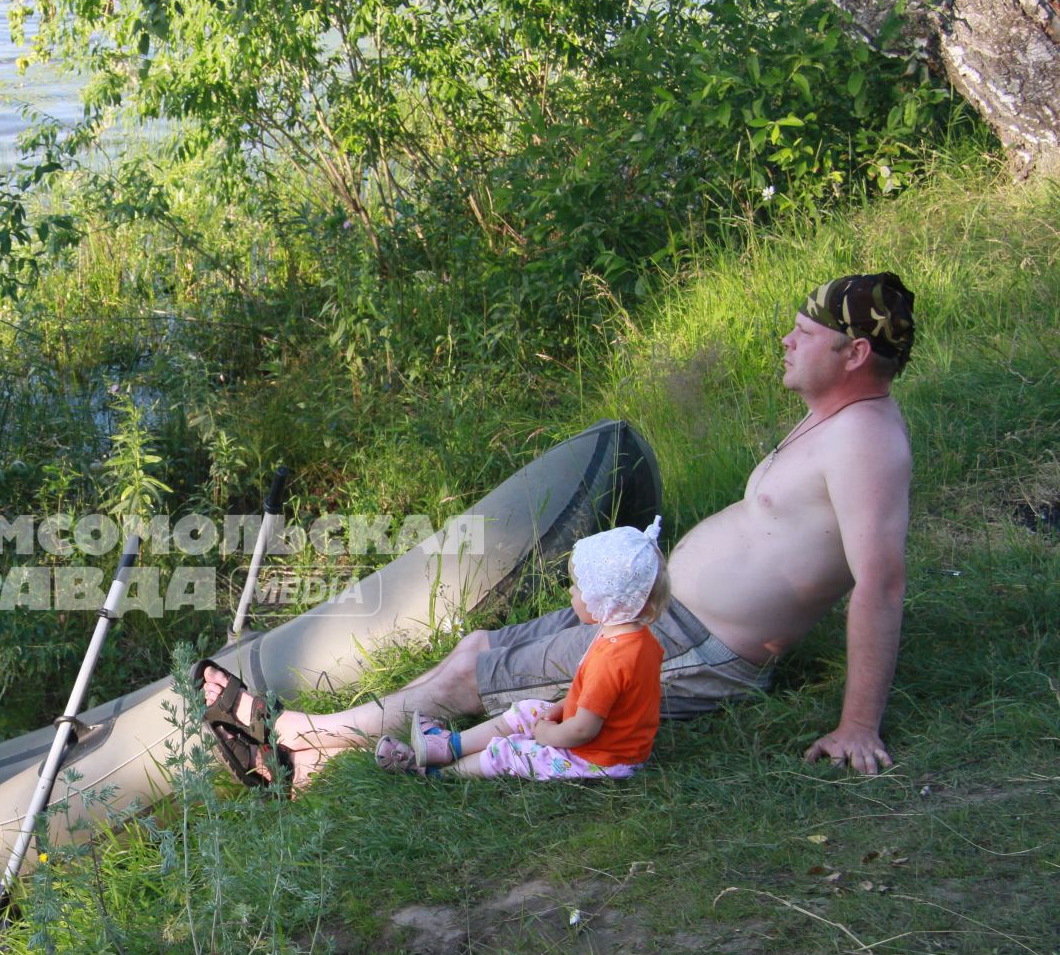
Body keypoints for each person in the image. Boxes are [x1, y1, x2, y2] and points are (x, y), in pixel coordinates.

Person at [201, 272, 916, 782]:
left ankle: (303, 736)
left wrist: (858, 726)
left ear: (854, 355)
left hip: (695, 648)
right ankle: (318, 760)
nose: (787, 340)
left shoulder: (867, 445)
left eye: (807, 333)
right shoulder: (834, 419)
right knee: (479, 644)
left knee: (468, 678)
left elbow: (880, 584)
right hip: (656, 616)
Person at [374, 519, 669, 781]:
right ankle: (449, 746)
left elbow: (583, 730)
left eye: (579, 588)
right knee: (528, 710)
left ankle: (434, 773)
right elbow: (602, 701)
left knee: (513, 752)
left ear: (606, 600)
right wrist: (559, 709)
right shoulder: (637, 639)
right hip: (613, 742)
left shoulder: (612, 659)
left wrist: (549, 735)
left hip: (600, 757)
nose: (571, 592)